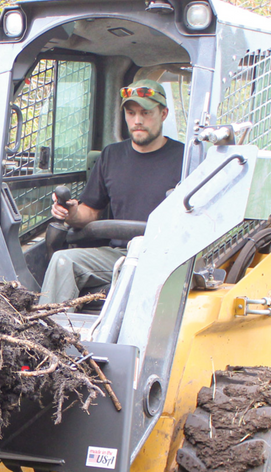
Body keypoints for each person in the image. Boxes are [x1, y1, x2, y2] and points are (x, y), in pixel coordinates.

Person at [40, 79, 185, 305]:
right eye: (130, 113)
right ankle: (48, 333)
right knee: (62, 261)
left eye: (146, 112)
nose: (137, 120)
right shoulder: (112, 156)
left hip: (168, 259)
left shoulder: (186, 159)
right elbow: (91, 212)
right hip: (120, 255)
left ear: (163, 113)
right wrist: (71, 213)